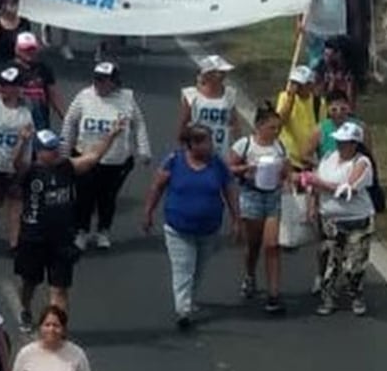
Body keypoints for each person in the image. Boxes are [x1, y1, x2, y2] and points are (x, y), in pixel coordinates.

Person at [13, 126, 120, 329]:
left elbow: (93, 157)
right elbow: (17, 164)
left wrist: (111, 135)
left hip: (62, 239)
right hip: (33, 238)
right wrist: (22, 141)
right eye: (50, 149)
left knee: (59, 288)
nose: (55, 152)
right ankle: (25, 309)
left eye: (56, 147)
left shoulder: (67, 167)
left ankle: (58, 327)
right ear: (39, 151)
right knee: (30, 282)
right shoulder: (31, 172)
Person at [141, 126, 239, 330]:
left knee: (198, 268)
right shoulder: (174, 161)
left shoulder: (218, 164)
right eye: (204, 142)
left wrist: (236, 219)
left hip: (208, 229)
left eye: (210, 141)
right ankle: (183, 310)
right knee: (183, 268)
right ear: (191, 144)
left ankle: (188, 299)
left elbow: (229, 190)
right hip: (178, 228)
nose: (209, 146)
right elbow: (157, 187)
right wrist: (148, 212)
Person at [61, 62, 151, 251]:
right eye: (97, 79)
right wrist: (64, 152)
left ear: (114, 81)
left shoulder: (127, 99)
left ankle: (103, 231)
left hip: (115, 160)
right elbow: (70, 122)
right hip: (86, 156)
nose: (99, 83)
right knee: (84, 196)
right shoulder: (84, 96)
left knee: (107, 197)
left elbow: (139, 124)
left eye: (104, 80)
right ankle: (82, 231)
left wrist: (144, 150)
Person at [309, 120, 378, 315]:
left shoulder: (362, 163)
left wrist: (320, 183)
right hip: (330, 220)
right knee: (331, 261)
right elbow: (316, 182)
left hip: (357, 220)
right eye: (339, 141)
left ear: (354, 144)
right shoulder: (328, 157)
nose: (340, 145)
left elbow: (348, 190)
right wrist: (313, 201)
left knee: (354, 265)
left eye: (345, 142)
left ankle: (356, 294)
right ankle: (328, 298)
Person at [0, 65, 47, 246]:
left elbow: (42, 131)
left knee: (17, 202)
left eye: (12, 85)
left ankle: (14, 244)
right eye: (4, 84)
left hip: (22, 165)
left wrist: (40, 155)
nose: (6, 89)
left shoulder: (31, 107)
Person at [229, 103, 292, 314]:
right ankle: (250, 274)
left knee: (272, 245)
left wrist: (287, 177)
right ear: (259, 126)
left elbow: (287, 170)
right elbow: (229, 168)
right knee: (253, 245)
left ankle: (274, 294)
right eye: (272, 127)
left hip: (273, 197)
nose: (276, 132)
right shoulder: (244, 145)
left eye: (278, 128)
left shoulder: (279, 146)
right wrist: (247, 168)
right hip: (251, 195)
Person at [179, 54, 248, 153]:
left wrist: (240, 148)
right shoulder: (192, 96)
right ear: (208, 74)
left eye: (224, 72)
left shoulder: (229, 95)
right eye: (219, 72)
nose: (223, 75)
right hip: (198, 148)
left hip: (221, 148)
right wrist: (183, 147)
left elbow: (234, 122)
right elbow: (184, 123)